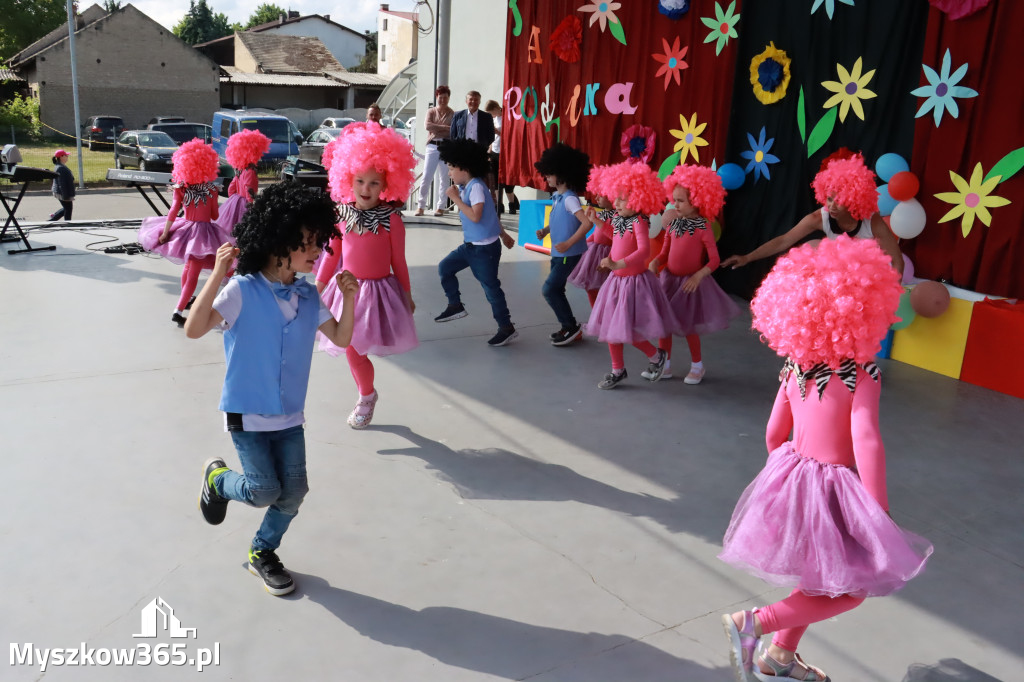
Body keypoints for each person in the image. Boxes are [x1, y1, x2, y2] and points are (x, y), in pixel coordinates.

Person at [718, 236, 932, 681]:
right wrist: (878, 511)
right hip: (839, 487)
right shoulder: (862, 374)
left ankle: (778, 657)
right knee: (852, 589)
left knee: (818, 578)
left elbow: (774, 433)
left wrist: (792, 474)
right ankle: (753, 624)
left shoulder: (796, 365)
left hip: (794, 475)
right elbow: (867, 439)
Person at [186, 181, 360, 597]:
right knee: (264, 491)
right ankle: (218, 481)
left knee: (294, 491)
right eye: (307, 243)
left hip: (289, 414)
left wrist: (349, 299)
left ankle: (262, 552)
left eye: (319, 242)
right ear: (279, 240)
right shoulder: (242, 291)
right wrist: (215, 275)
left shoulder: (306, 292)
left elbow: (340, 338)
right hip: (247, 412)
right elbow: (193, 329)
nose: (316, 251)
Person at [315, 123, 418, 429]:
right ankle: (366, 395)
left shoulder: (392, 220)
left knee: (359, 347)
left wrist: (407, 295)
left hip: (378, 295)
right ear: (347, 178)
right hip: (347, 293)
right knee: (351, 348)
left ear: (388, 182)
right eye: (360, 180)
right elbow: (331, 256)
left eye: (374, 182)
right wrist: (316, 289)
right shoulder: (341, 215)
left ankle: (366, 394)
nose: (365, 189)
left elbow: (398, 261)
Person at [722, 153, 904, 277]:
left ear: (855, 200)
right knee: (811, 248)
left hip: (865, 276)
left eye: (839, 201)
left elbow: (896, 260)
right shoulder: (820, 217)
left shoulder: (871, 221)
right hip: (835, 277)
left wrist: (890, 296)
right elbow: (784, 240)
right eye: (829, 199)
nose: (831, 205)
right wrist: (747, 257)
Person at [584, 161, 676, 389]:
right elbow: (613, 235)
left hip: (633, 283)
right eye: (615, 198)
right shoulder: (618, 219)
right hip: (616, 282)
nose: (615, 203)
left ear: (638, 198)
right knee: (610, 327)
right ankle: (618, 369)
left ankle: (656, 356)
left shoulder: (638, 222)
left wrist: (617, 262)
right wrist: (596, 221)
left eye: (621, 199)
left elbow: (643, 251)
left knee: (629, 330)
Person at [646, 165, 741, 384]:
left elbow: (715, 260)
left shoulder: (703, 227)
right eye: (674, 199)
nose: (674, 204)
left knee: (688, 327)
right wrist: (655, 262)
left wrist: (698, 276)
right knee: (664, 323)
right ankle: (665, 364)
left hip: (690, 284)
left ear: (697, 201)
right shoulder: (672, 225)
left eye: (680, 201)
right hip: (669, 280)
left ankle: (697, 365)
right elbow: (664, 254)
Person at [433, 138, 518, 347]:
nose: (450, 173)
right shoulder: (468, 186)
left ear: (465, 167)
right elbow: (491, 216)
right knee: (445, 268)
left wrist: (456, 199)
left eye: (452, 168)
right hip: (471, 246)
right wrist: (504, 234)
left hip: (485, 250)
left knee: (490, 287)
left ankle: (506, 327)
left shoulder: (476, 187)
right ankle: (455, 305)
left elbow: (477, 216)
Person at [138, 139, 232, 327]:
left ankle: (185, 301)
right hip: (204, 233)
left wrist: (165, 233)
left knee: (189, 269)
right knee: (199, 271)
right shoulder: (212, 190)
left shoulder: (181, 188)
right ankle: (178, 310)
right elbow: (214, 215)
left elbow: (173, 212)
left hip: (186, 230)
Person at [533, 143, 593, 346]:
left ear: (563, 174)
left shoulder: (570, 199)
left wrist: (568, 243)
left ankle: (571, 326)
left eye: (550, 173)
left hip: (568, 253)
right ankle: (569, 326)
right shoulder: (558, 197)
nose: (546, 177)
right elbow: (560, 220)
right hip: (559, 253)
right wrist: (546, 231)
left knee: (549, 289)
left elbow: (586, 224)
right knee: (556, 289)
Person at [568, 165, 614, 307]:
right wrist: (580, 245)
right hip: (593, 256)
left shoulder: (618, 217)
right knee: (591, 288)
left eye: (601, 194)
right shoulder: (601, 214)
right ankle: (596, 315)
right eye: (597, 193)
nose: (597, 197)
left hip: (607, 257)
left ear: (612, 195)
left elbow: (616, 239)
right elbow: (595, 235)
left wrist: (610, 259)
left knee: (606, 291)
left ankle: (604, 316)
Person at [217, 128, 270, 233]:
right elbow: (249, 192)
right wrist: (252, 207)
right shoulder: (250, 171)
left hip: (235, 201)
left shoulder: (239, 170)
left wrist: (233, 201)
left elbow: (231, 190)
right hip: (245, 205)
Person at [416, 85, 455, 217]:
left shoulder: (452, 113)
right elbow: (428, 126)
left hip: (446, 146)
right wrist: (444, 127)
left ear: (448, 98)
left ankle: (441, 206)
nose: (443, 100)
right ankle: (421, 206)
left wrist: (438, 128)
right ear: (436, 97)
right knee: (427, 176)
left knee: (444, 177)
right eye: (440, 97)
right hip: (432, 146)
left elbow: (452, 130)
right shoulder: (431, 111)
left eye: (445, 97)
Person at [483, 99, 518, 214]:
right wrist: (490, 150)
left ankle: (512, 203)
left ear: (496, 109)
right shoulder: (495, 119)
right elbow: (494, 139)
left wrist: (497, 132)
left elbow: (511, 134)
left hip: (507, 152)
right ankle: (499, 204)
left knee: (508, 180)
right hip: (495, 151)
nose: (491, 116)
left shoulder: (507, 117)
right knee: (496, 179)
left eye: (491, 113)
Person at [48, 149, 75, 221]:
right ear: (61, 157)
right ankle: (67, 224)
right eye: (66, 155)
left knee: (66, 208)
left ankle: (52, 219)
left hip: (61, 192)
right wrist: (65, 196)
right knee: (68, 209)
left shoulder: (60, 166)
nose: (67, 157)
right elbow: (62, 183)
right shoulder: (60, 168)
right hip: (62, 192)